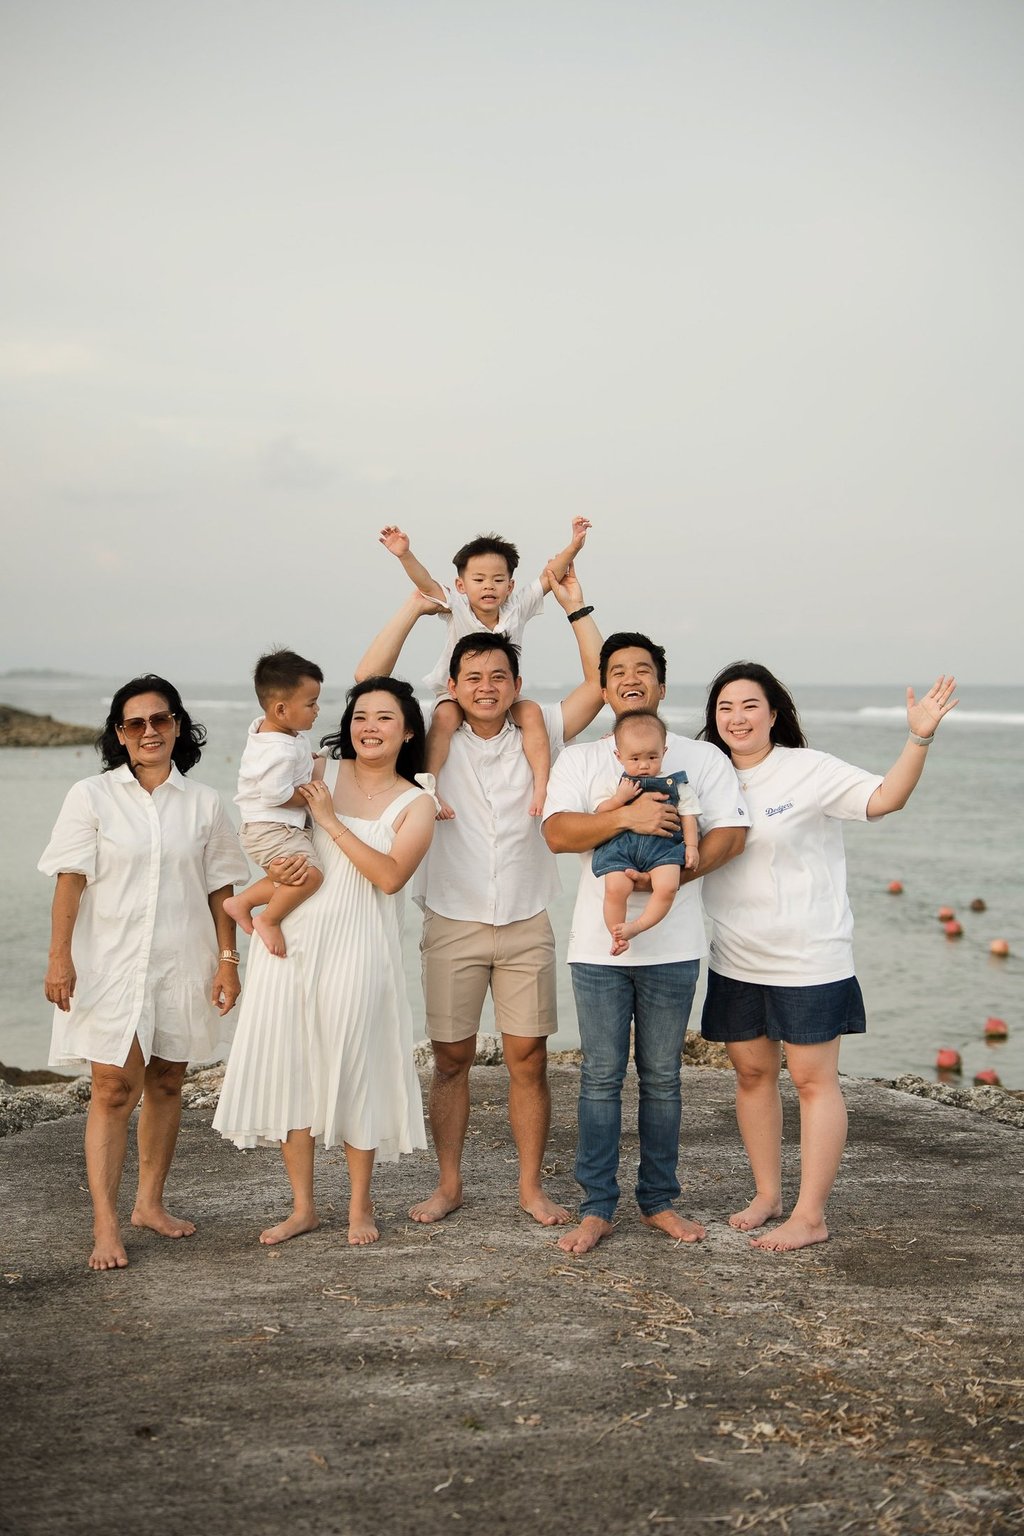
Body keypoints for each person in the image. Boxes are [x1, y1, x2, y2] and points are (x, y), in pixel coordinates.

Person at [354, 567, 603, 1227]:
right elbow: (365, 683)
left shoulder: (540, 726)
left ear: (516, 685)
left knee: (529, 1059)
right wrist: (411, 607)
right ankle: (450, 1184)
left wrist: (577, 608)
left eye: (498, 677)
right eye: (473, 678)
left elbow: (601, 685)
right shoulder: (425, 740)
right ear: (453, 686)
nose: (486, 688)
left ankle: (529, 1188)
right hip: (452, 921)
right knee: (452, 1061)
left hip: (526, 919)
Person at [698, 663, 958, 1252]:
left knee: (814, 1082)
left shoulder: (807, 769)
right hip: (734, 955)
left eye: (749, 706)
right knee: (753, 1076)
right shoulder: (706, 776)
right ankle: (767, 1194)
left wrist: (919, 737)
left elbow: (886, 798)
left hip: (809, 957)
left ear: (774, 713)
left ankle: (810, 1214)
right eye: (725, 708)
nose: (737, 718)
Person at [542, 633, 749, 1255]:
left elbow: (731, 835)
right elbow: (556, 832)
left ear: (661, 684)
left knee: (663, 1079)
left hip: (674, 943)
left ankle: (658, 1201)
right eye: (617, 671)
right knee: (600, 1077)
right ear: (604, 688)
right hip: (597, 947)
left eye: (643, 670)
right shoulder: (580, 759)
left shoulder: (699, 758)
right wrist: (624, 821)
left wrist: (665, 875)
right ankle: (596, 1207)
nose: (631, 678)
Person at [214, 677, 436, 1247]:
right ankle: (304, 1207)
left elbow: (389, 878)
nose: (369, 726)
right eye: (361, 715)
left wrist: (332, 822)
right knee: (294, 1067)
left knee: (356, 1067)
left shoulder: (419, 804)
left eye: (385, 717)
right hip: (293, 937)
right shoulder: (317, 772)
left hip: (361, 943)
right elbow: (261, 805)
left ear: (407, 730)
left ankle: (360, 1207)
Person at [40, 675, 248, 1272]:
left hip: (183, 962)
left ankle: (149, 1205)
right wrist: (59, 957)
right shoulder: (91, 796)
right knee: (110, 1088)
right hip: (109, 964)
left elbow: (221, 888)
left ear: (178, 726)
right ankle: (105, 1223)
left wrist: (228, 961)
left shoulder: (205, 802)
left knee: (166, 1082)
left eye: (161, 720)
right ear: (119, 735)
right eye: (136, 723)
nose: (150, 731)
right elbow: (69, 880)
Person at [378, 518, 591, 817]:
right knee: (445, 717)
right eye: (478, 580)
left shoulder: (517, 606)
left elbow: (549, 577)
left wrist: (574, 546)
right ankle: (431, 785)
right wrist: (404, 554)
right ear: (461, 585)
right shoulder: (457, 607)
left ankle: (542, 785)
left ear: (510, 585)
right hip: (455, 694)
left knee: (530, 712)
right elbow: (425, 582)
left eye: (497, 579)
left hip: (501, 695)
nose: (488, 586)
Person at [224, 649, 324, 958]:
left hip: (266, 828)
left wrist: (306, 763)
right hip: (270, 828)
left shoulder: (276, 733)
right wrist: (308, 794)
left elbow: (285, 765)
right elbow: (275, 793)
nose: (317, 710)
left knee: (288, 874)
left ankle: (240, 902)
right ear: (281, 710)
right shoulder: (278, 750)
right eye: (310, 704)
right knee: (309, 875)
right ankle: (267, 918)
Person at [592, 710, 701, 955]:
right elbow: (601, 814)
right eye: (635, 758)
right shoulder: (616, 784)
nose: (644, 765)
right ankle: (616, 934)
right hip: (622, 848)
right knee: (614, 889)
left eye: (652, 757)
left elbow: (689, 815)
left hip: (664, 848)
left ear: (664, 751)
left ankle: (637, 926)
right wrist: (620, 798)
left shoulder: (678, 785)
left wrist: (692, 847)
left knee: (667, 888)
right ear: (619, 756)